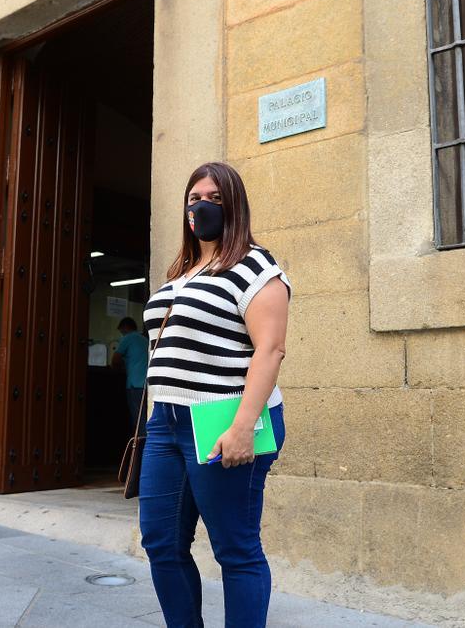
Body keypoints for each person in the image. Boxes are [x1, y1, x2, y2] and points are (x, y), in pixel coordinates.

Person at [139, 161, 291, 628]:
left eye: (214, 199)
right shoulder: (182, 271)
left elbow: (270, 349)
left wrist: (243, 427)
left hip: (222, 417)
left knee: (235, 549)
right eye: (194, 199)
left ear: (234, 205)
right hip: (166, 422)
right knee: (161, 542)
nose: (201, 207)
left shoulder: (256, 266)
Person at [111, 316, 149, 435]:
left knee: (137, 420)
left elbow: (115, 359)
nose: (122, 334)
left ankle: (138, 449)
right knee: (146, 418)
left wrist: (120, 366)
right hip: (147, 385)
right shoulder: (145, 340)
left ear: (125, 327)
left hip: (134, 384)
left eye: (122, 331)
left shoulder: (128, 338)